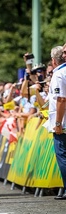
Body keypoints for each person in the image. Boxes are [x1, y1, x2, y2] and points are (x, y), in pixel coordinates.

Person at [47, 45, 66, 200]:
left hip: (63, 123)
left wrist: (58, 123)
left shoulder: (59, 74)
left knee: (62, 156)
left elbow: (61, 99)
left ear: (53, 60)